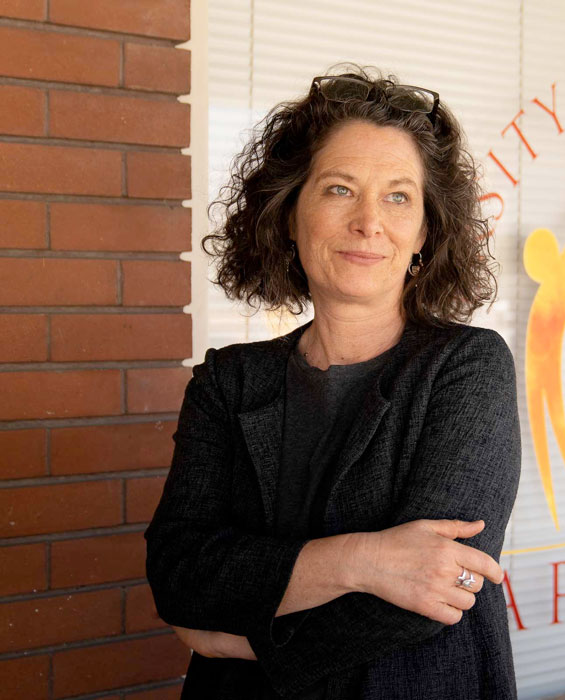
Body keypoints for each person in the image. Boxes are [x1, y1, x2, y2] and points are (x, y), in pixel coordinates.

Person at [144, 63, 521, 699]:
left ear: (425, 232)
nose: (369, 222)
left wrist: (245, 640)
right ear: (289, 215)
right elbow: (180, 574)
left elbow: (439, 586)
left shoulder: (468, 366)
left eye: (399, 196)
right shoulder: (227, 382)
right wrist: (362, 562)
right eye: (340, 189)